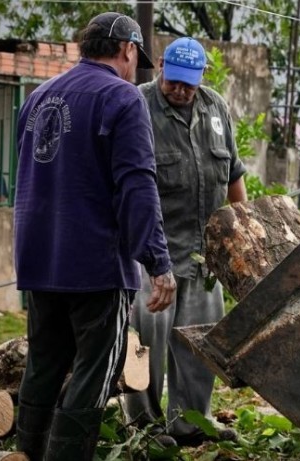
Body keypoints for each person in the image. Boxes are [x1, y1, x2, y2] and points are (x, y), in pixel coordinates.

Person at [13, 12, 176, 461]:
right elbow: (138, 184)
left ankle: (24, 453)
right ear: (127, 50)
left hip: (39, 259)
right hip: (96, 265)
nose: (132, 67)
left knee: (42, 365)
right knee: (94, 372)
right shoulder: (122, 98)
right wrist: (158, 262)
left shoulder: (36, 96)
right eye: (133, 58)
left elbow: (28, 178)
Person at [122, 37, 247, 447]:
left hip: (202, 257)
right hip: (152, 256)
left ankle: (191, 421)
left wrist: (241, 233)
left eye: (188, 84)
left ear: (202, 77)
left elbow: (233, 176)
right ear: (159, 66)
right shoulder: (137, 106)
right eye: (173, 81)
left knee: (201, 346)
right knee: (144, 349)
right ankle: (142, 428)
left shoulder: (216, 108)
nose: (179, 90)